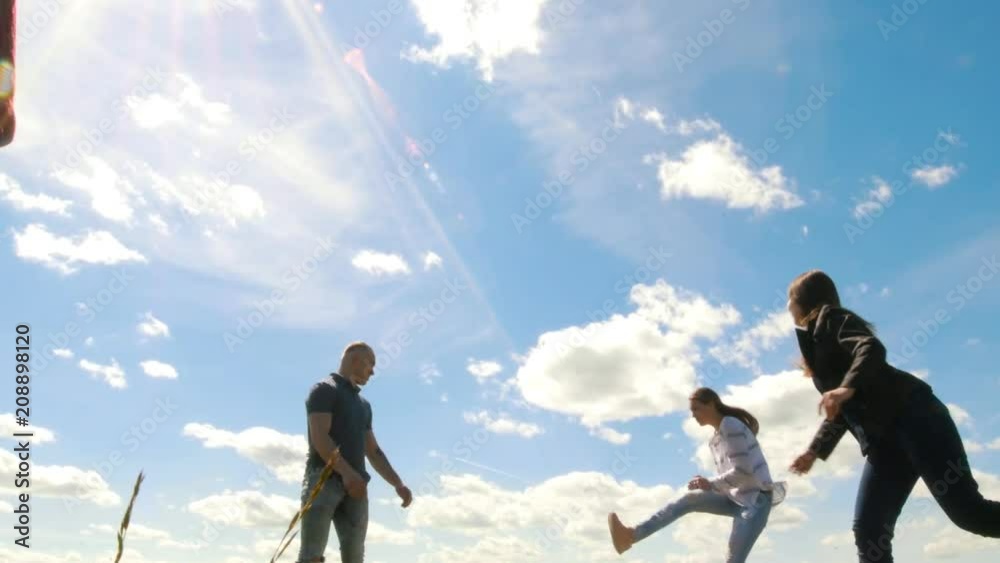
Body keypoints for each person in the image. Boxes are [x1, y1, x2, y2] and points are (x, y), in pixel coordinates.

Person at [786, 269, 1000, 562]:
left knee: (969, 513)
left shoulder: (831, 319)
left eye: (790, 298)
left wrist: (846, 388)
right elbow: (842, 411)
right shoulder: (815, 345)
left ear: (803, 300)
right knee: (869, 530)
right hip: (883, 441)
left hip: (916, 418)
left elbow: (870, 347)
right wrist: (814, 451)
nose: (787, 306)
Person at [608, 387, 786, 562]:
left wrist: (710, 483)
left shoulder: (730, 425)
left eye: (696, 409)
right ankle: (630, 536)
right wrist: (706, 485)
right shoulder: (715, 440)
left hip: (755, 501)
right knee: (689, 500)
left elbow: (743, 471)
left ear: (711, 404)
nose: (693, 415)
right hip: (735, 497)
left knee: (734, 559)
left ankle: (630, 536)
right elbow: (732, 478)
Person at [295, 342, 413, 563]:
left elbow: (373, 450)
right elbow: (320, 437)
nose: (373, 372)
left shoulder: (364, 405)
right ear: (355, 359)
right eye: (371, 364)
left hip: (356, 489)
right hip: (323, 480)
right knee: (312, 556)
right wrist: (347, 474)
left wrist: (398, 483)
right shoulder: (324, 389)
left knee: (355, 558)